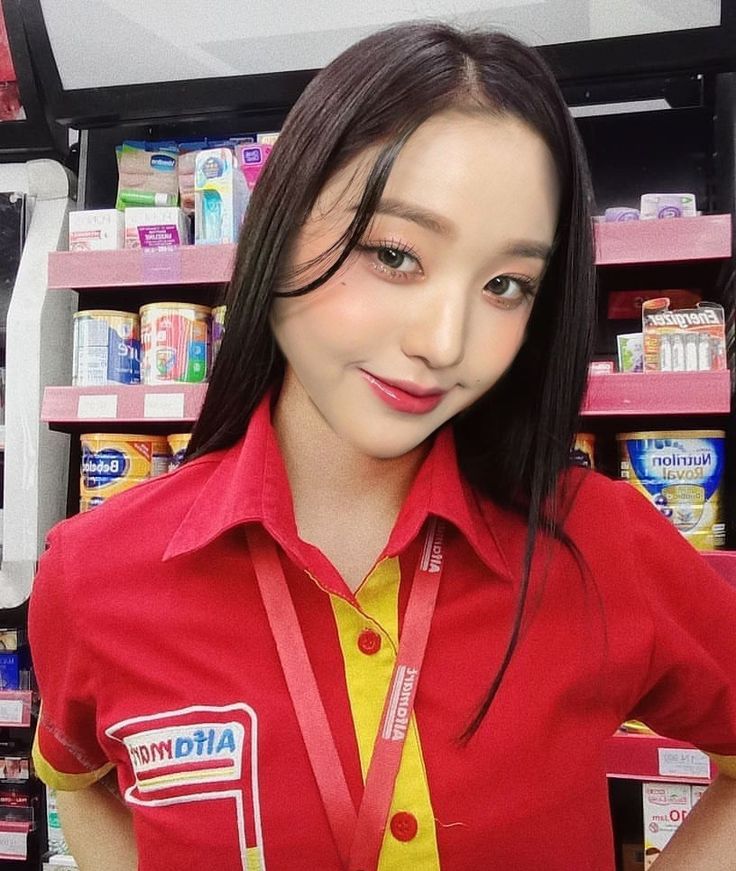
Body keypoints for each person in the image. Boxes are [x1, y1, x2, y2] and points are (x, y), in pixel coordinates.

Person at [29, 21, 736, 871]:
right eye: (395, 254)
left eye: (506, 284)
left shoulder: (601, 542)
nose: (445, 342)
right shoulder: (93, 571)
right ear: (277, 229)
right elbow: (76, 781)